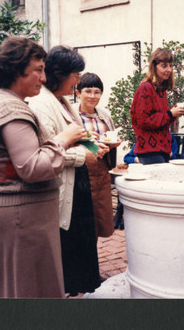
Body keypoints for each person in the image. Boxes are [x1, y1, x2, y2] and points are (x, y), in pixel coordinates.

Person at [0, 37, 86, 298]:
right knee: (29, 292)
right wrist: (65, 139)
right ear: (17, 70)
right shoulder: (10, 110)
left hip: (18, 216)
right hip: (20, 219)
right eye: (38, 69)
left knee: (21, 289)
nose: (44, 77)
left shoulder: (2, 102)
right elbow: (32, 167)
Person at [28, 45, 102, 297]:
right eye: (76, 75)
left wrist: (94, 145)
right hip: (62, 185)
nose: (78, 81)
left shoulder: (62, 101)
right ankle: (67, 292)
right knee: (67, 244)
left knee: (81, 241)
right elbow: (47, 149)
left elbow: (77, 135)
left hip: (77, 183)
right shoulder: (40, 104)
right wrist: (84, 156)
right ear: (61, 74)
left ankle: (78, 289)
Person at [73, 72, 119, 241]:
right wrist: (89, 144)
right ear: (78, 93)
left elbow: (108, 138)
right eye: (88, 91)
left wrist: (112, 144)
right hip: (80, 173)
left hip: (101, 173)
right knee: (82, 221)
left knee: (100, 219)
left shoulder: (104, 115)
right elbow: (68, 142)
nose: (93, 96)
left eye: (97, 92)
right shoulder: (72, 116)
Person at [130, 48, 184, 165]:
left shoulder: (160, 90)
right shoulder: (146, 88)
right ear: (154, 67)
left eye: (170, 66)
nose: (169, 70)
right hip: (149, 151)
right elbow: (143, 121)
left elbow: (160, 122)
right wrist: (170, 113)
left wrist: (174, 113)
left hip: (161, 150)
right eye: (164, 66)